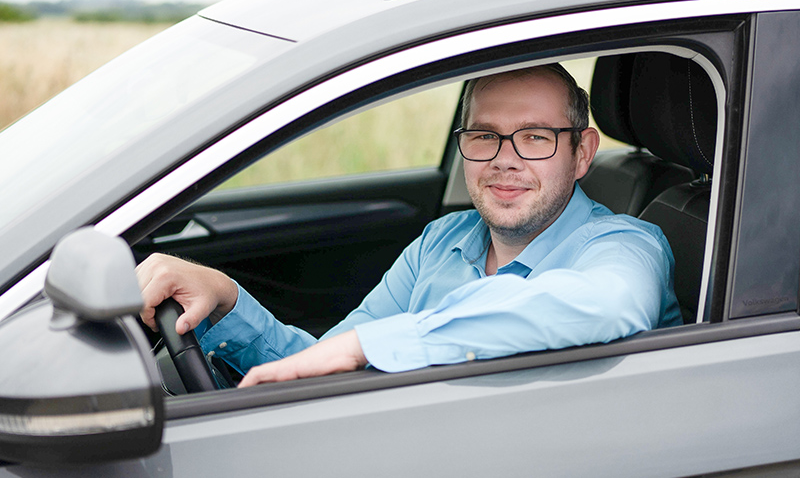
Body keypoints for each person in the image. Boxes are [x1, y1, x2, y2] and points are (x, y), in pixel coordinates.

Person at [137, 64, 681, 388]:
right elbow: (327, 362)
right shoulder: (440, 242)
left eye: (536, 137)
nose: (504, 159)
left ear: (582, 153)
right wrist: (229, 300)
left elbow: (607, 304)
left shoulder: (626, 244)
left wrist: (376, 345)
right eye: (485, 135)